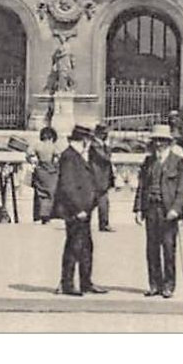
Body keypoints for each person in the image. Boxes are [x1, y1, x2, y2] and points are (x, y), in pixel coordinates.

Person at [134, 123, 183, 298]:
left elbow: (182, 189)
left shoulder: (177, 162)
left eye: (162, 141)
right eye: (156, 141)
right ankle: (154, 285)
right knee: (151, 249)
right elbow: (142, 186)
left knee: (168, 248)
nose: (158, 144)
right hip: (151, 208)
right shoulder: (149, 161)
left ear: (169, 143)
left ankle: (169, 285)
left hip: (168, 211)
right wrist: (137, 209)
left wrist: (175, 209)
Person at [55, 125, 106, 296]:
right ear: (84, 140)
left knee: (85, 246)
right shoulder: (69, 157)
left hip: (85, 209)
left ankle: (86, 282)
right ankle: (67, 283)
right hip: (76, 211)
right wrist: (78, 209)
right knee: (73, 246)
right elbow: (67, 186)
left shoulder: (80, 156)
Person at [89, 125, 118, 232]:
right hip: (97, 177)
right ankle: (103, 223)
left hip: (102, 178)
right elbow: (106, 157)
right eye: (105, 133)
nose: (106, 135)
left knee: (101, 202)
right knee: (97, 201)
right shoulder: (95, 145)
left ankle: (104, 223)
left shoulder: (100, 145)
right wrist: (108, 146)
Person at [30, 126, 60, 224]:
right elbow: (57, 158)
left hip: (40, 171)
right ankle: (47, 215)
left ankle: (40, 215)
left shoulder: (36, 145)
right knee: (50, 194)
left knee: (41, 194)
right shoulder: (53, 146)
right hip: (51, 172)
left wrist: (34, 163)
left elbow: (29, 154)